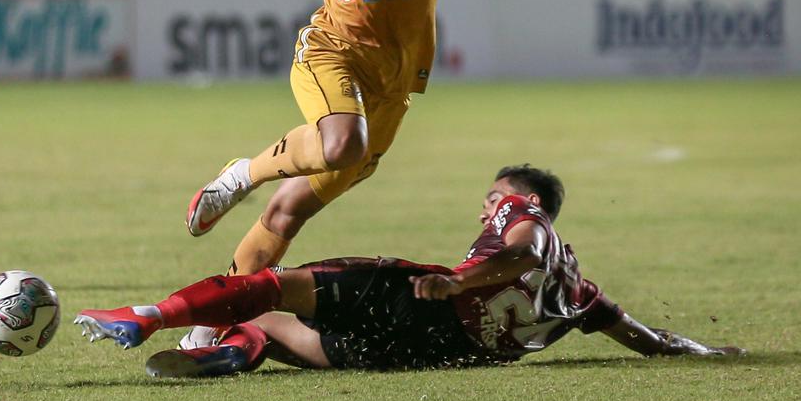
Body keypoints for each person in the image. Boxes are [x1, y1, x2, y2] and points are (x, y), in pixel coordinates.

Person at [164, 0, 522, 346]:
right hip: (329, 54)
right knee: (341, 143)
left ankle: (213, 324)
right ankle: (243, 174)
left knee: (287, 214)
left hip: (392, 87)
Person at [75, 165, 743, 377]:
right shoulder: (581, 296)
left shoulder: (531, 225)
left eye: (496, 195)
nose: (487, 204)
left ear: (528, 201)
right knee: (274, 326)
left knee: (280, 284)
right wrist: (698, 348)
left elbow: (522, 253)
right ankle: (234, 351)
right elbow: (641, 336)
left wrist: (456, 281)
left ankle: (150, 314)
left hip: (420, 304)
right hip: (426, 355)